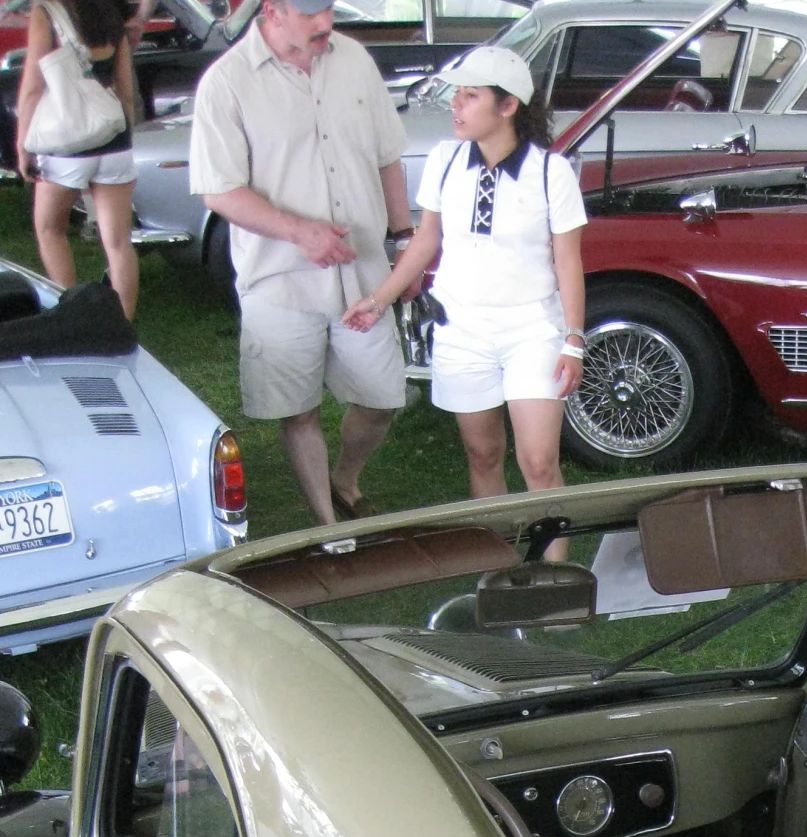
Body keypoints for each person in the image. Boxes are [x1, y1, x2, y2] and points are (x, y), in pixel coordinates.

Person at [189, 0, 414, 526]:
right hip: (280, 277)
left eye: (329, 9)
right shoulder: (227, 83)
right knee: (299, 408)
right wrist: (298, 232)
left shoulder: (355, 59)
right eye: (311, 13)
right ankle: (327, 522)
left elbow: (387, 157)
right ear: (272, 9)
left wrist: (404, 240)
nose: (325, 24)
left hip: (362, 272)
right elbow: (219, 191)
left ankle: (345, 479)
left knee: (382, 399)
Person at [344, 48, 584, 518]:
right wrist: (378, 300)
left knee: (538, 462)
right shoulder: (445, 160)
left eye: (470, 96)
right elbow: (425, 239)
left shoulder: (550, 171)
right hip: (461, 329)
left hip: (532, 328)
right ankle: (502, 569)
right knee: (482, 455)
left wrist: (573, 339)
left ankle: (556, 578)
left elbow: (568, 261)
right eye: (457, 94)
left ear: (508, 105)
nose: (455, 105)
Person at [16, 0, 140, 320]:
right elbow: (125, 87)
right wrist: (123, 133)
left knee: (50, 229)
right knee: (117, 242)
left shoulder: (47, 13)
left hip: (67, 144)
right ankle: (123, 323)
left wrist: (23, 145)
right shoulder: (110, 11)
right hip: (115, 138)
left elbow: (32, 87)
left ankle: (72, 315)